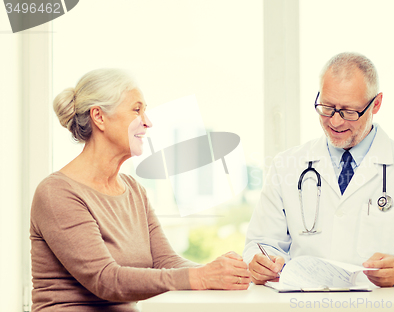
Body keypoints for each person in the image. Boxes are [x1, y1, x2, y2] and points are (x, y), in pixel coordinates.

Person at [30, 69, 251, 312]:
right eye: (137, 110)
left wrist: (230, 274)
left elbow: (166, 262)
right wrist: (201, 277)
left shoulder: (133, 190)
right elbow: (105, 280)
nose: (148, 121)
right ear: (99, 117)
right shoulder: (57, 192)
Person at [243, 52, 394, 287]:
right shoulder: (286, 166)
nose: (336, 122)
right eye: (327, 107)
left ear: (376, 103)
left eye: (349, 112)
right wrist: (261, 263)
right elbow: (259, 244)